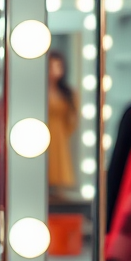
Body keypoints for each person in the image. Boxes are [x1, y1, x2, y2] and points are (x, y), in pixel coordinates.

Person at [47, 49, 78, 195]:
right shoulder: (41, 91)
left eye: (58, 66)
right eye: (52, 66)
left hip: (60, 134)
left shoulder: (67, 93)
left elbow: (72, 118)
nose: (55, 71)